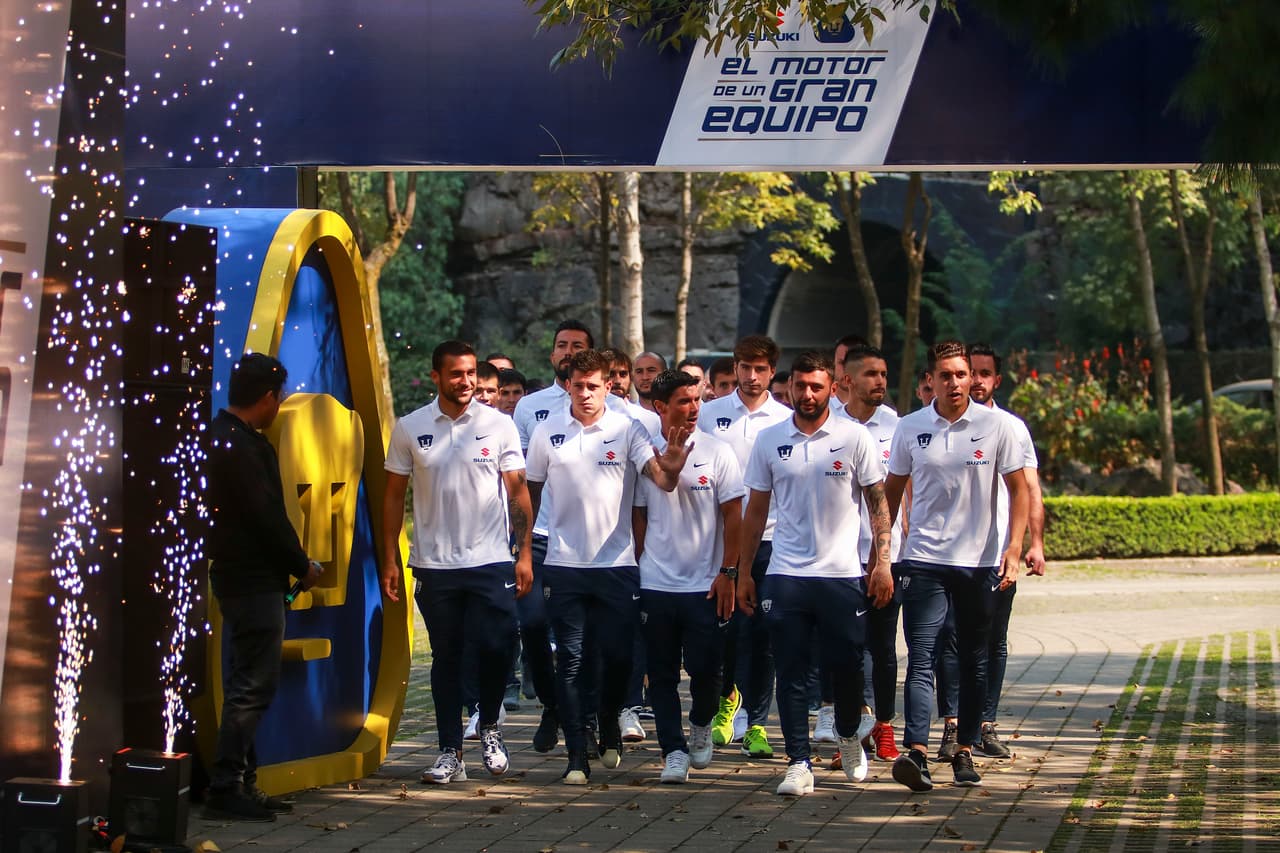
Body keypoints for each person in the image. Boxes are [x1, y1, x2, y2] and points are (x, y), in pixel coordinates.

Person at [525, 349, 691, 785]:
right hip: (563, 564)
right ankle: (577, 753)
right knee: (573, 661)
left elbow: (661, 477)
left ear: (607, 387)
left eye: (593, 386)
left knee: (618, 658)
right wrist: (523, 550)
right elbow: (530, 495)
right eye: (577, 386)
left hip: (616, 566)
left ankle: (609, 720)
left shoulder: (626, 428)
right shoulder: (547, 432)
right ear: (568, 386)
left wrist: (671, 467)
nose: (584, 394)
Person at [737, 352, 891, 796]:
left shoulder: (854, 437)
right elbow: (755, 512)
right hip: (786, 574)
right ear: (790, 388)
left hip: (841, 576)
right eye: (799, 386)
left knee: (844, 668)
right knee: (791, 670)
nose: (806, 394)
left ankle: (847, 735)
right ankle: (798, 762)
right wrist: (743, 572)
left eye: (815, 387)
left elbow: (878, 504)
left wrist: (881, 562)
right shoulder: (769, 440)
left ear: (833, 387)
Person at [381, 341, 533, 784]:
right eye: (456, 374)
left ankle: (489, 726)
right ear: (436, 377)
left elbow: (518, 491)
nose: (466, 382)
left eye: (470, 373)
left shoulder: (499, 425)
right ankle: (450, 751)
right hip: (434, 564)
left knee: (496, 647)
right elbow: (393, 496)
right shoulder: (410, 427)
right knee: (447, 657)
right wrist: (391, 557)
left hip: (490, 562)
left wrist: (523, 553)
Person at [884, 340, 1030, 792]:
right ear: (931, 379)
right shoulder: (910, 428)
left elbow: (1020, 490)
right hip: (923, 559)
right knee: (922, 656)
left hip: (979, 562)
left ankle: (965, 750)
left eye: (961, 375)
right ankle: (918, 752)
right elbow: (891, 493)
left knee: (973, 659)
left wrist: (1014, 548)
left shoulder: (997, 426)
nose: (953, 383)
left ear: (971, 379)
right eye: (944, 375)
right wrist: (880, 550)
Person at [205, 353, 324, 822]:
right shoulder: (245, 448)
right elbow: (266, 517)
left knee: (243, 681)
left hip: (234, 576)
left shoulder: (216, 439)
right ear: (269, 397)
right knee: (253, 686)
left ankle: (243, 782)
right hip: (254, 580)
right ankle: (225, 785)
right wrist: (301, 565)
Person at [932, 343, 1045, 762]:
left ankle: (985, 723)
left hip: (998, 553)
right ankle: (951, 725)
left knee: (992, 642)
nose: (974, 380)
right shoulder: (940, 423)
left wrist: (1035, 544)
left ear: (997, 379)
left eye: (983, 373)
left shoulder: (1010, 427)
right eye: (969, 372)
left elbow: (1028, 488)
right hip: (949, 555)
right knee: (949, 638)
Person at [634, 370, 744, 783]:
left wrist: (728, 572)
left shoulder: (718, 452)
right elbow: (638, 517)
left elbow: (733, 516)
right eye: (683, 401)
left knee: (707, 669)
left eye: (697, 399)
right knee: (660, 673)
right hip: (656, 584)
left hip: (706, 585)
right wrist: (640, 567)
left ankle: (700, 724)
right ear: (660, 407)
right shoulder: (644, 454)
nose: (694, 408)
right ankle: (672, 749)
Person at [698, 335, 791, 759]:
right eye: (744, 368)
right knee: (724, 631)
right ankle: (724, 703)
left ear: (772, 372)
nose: (752, 377)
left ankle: (757, 723)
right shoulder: (710, 414)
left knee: (764, 635)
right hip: (718, 541)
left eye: (760, 369)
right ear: (734, 369)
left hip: (771, 541)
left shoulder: (786, 419)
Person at [831, 344, 904, 765]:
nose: (880, 381)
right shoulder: (829, 425)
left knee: (883, 648)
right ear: (847, 382)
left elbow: (903, 493)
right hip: (838, 560)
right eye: (871, 374)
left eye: (884, 373)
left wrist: (888, 558)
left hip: (884, 556)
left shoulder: (898, 426)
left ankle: (886, 728)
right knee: (846, 651)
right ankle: (854, 731)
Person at [831, 334, 867, 409]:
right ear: (833, 364)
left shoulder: (887, 418)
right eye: (841, 362)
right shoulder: (816, 412)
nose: (846, 369)